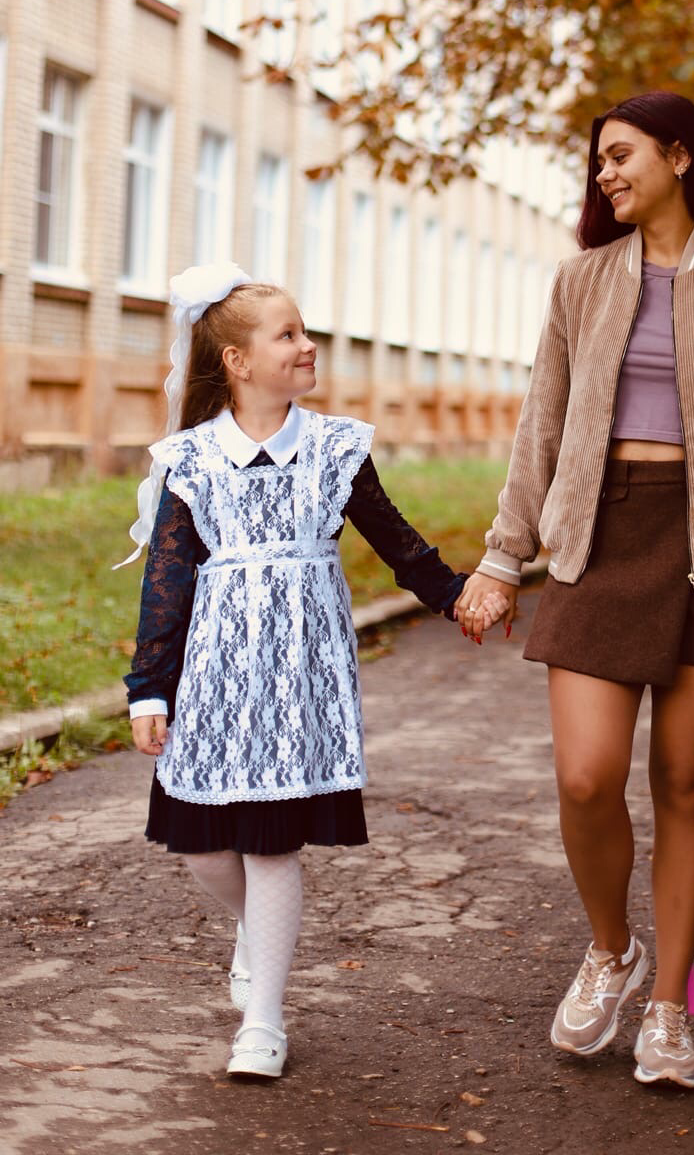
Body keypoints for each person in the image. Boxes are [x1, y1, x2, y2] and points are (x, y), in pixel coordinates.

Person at [454, 92, 694, 1089]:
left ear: (679, 154)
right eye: (597, 162)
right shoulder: (582, 280)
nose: (604, 174)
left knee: (688, 788)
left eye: (620, 156)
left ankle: (667, 1004)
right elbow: (542, 425)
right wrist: (502, 556)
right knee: (585, 776)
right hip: (600, 536)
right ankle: (608, 951)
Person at [123, 262, 506, 1080]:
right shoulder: (191, 461)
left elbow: (395, 539)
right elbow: (167, 583)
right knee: (200, 848)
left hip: (304, 680)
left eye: (305, 331)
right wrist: (147, 687)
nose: (308, 345)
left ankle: (263, 1022)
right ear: (237, 360)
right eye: (288, 334)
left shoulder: (334, 448)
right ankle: (255, 936)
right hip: (216, 679)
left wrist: (459, 597)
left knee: (271, 850)